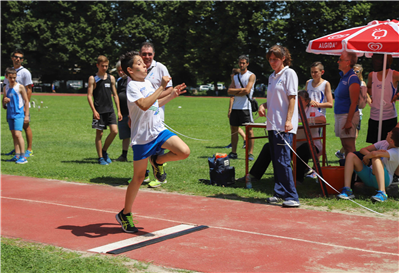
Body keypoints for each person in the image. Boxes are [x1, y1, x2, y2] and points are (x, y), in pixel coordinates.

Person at [116, 51, 190, 233]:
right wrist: (162, 87)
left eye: (144, 62)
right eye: (140, 63)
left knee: (184, 151)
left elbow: (155, 103)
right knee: (139, 178)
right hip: (142, 137)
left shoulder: (147, 83)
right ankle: (125, 213)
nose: (144, 65)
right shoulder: (132, 86)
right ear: (130, 70)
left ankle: (158, 161)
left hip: (158, 130)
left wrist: (171, 94)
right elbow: (144, 104)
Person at [239, 90, 326, 185]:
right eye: (296, 100)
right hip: (292, 144)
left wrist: (304, 120)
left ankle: (297, 179)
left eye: (300, 100)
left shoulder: (312, 110)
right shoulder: (291, 110)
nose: (297, 102)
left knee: (304, 149)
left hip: (312, 146)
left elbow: (323, 119)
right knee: (269, 146)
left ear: (307, 101)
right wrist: (263, 106)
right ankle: (253, 176)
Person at [258, 45, 300, 207]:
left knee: (283, 160)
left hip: (283, 126)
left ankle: (292, 196)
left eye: (275, 59)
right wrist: (264, 105)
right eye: (270, 59)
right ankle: (280, 192)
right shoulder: (272, 76)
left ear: (283, 58)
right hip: (272, 124)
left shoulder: (289, 73)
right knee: (276, 160)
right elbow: (273, 99)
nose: (272, 62)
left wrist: (288, 120)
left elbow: (292, 98)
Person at [139, 42, 174, 188]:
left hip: (156, 114)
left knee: (157, 148)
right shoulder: (137, 68)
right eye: (144, 54)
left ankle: (160, 177)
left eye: (149, 54)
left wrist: (154, 98)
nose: (147, 57)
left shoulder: (160, 68)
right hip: (139, 116)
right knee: (140, 147)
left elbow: (170, 88)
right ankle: (143, 175)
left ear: (154, 55)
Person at [337, 127, 399, 203]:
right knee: (350, 155)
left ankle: (382, 193)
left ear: (392, 141)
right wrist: (370, 155)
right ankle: (347, 190)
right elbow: (363, 150)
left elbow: (374, 154)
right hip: (370, 176)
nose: (387, 132)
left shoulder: (396, 151)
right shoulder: (384, 143)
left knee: (375, 158)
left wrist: (367, 157)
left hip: (385, 180)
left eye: (390, 133)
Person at [87, 55, 122, 165]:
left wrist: (119, 111)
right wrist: (94, 111)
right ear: (97, 65)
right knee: (99, 134)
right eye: (102, 66)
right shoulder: (93, 78)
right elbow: (89, 95)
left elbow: (115, 95)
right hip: (99, 110)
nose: (105, 68)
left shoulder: (111, 78)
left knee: (114, 131)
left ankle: (104, 150)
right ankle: (100, 158)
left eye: (106, 66)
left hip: (110, 110)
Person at [3, 49, 33, 158]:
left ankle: (28, 149)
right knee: (15, 130)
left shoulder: (25, 72)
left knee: (25, 126)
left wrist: (26, 105)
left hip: (22, 105)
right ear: (12, 58)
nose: (18, 59)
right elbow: (6, 89)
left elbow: (29, 89)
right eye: (16, 57)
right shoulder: (9, 72)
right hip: (12, 106)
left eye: (20, 58)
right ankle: (17, 149)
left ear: (22, 60)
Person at [335, 63, 368, 160]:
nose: (355, 72)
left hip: (352, 114)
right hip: (344, 114)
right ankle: (347, 160)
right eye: (353, 70)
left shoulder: (359, 83)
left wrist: (349, 120)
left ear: (361, 72)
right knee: (346, 142)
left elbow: (359, 102)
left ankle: (353, 164)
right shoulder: (345, 79)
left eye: (357, 71)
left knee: (350, 142)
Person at [227, 55, 256, 161]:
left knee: (249, 131)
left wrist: (237, 91)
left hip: (246, 107)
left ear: (247, 64)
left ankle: (250, 153)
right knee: (234, 130)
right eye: (240, 63)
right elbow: (229, 90)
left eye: (244, 63)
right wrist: (240, 91)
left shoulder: (251, 75)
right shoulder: (235, 77)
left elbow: (247, 91)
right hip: (235, 107)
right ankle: (233, 152)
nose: (241, 65)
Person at [366, 54, 399, 144]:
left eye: (378, 59)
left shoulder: (394, 74)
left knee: (389, 144)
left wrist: (397, 95)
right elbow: (368, 87)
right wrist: (373, 95)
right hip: (374, 115)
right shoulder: (372, 75)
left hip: (389, 116)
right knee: (375, 144)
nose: (375, 62)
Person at [334, 51, 360, 157]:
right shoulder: (343, 76)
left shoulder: (352, 77)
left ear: (348, 62)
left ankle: (355, 171)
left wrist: (349, 121)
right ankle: (349, 169)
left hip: (347, 115)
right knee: (345, 145)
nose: (338, 61)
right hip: (341, 115)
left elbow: (354, 102)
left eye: (340, 59)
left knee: (349, 146)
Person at [2, 68, 30, 164]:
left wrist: (26, 115)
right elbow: (3, 103)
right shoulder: (5, 88)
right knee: (14, 135)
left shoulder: (20, 87)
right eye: (10, 78)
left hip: (19, 114)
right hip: (10, 114)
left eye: (14, 77)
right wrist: (4, 102)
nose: (12, 79)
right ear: (6, 77)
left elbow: (26, 101)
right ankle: (17, 155)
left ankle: (23, 156)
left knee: (18, 134)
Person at [225, 68, 246, 149]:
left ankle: (244, 139)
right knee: (234, 127)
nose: (231, 75)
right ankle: (234, 142)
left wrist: (230, 110)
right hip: (240, 107)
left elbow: (232, 98)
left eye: (232, 73)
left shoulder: (235, 83)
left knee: (234, 126)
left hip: (237, 108)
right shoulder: (238, 82)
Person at [114, 61, 130, 162]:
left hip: (131, 113)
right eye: (118, 70)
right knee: (125, 135)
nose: (120, 72)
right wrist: (119, 111)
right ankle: (124, 155)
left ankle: (140, 157)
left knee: (135, 136)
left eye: (122, 70)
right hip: (122, 112)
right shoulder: (119, 81)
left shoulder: (131, 80)